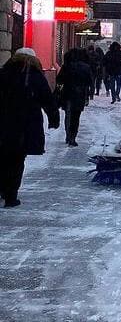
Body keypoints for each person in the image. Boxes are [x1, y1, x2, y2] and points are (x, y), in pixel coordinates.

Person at [0, 48, 59, 207]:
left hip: (4, 123)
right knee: (17, 160)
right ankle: (11, 196)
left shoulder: (4, 72)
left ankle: (3, 188)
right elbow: (47, 98)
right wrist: (54, 118)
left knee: (3, 157)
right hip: (25, 125)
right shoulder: (35, 76)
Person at [56, 48, 93, 146]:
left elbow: (59, 80)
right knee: (76, 117)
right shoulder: (86, 67)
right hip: (80, 95)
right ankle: (73, 137)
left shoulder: (66, 66)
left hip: (67, 94)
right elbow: (90, 82)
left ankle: (68, 135)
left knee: (68, 115)